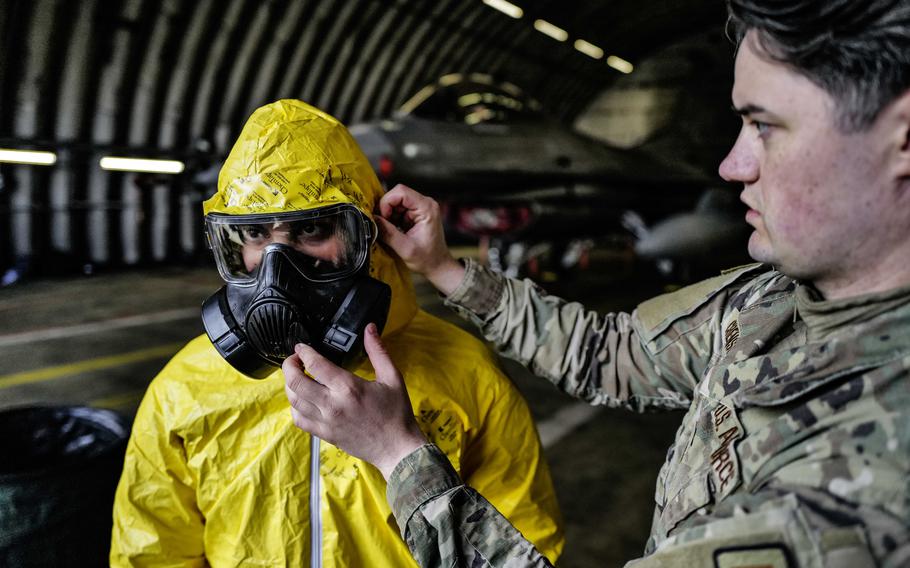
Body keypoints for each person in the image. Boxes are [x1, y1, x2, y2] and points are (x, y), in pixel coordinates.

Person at [281, 1, 910, 566]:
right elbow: (611, 354)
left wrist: (397, 456)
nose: (731, 165)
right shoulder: (773, 297)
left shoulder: (867, 478)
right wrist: (446, 269)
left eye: (765, 126)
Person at [109, 100, 564, 567]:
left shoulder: (467, 374)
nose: (276, 266)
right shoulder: (182, 391)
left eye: (313, 229)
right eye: (254, 235)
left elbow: (523, 543)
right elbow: (151, 554)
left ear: (370, 234)